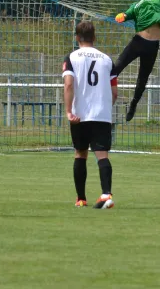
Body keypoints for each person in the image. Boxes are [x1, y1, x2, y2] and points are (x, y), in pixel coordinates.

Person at [62, 21, 118, 209]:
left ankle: (81, 198)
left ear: (77, 37)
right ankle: (106, 194)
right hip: (101, 115)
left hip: (80, 115)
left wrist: (69, 111)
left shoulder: (71, 58)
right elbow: (115, 92)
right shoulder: (107, 60)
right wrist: (104, 107)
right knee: (102, 155)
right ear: (94, 37)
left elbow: (69, 84)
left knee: (80, 154)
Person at [115, 0, 160, 122]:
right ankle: (102, 93)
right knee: (116, 68)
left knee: (142, 81)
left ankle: (133, 104)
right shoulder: (136, 5)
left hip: (152, 46)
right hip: (138, 43)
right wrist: (122, 16)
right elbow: (126, 15)